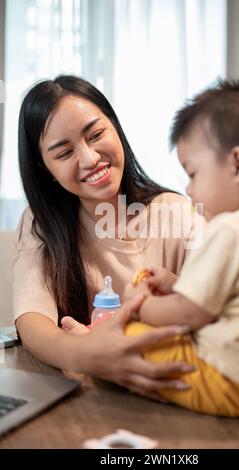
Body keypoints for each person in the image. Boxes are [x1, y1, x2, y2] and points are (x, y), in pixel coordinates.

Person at [65, 80, 239, 418]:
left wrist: (138, 303)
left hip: (234, 383)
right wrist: (178, 285)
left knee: (126, 336)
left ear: (238, 165)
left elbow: (189, 315)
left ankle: (86, 338)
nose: (189, 189)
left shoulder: (229, 230)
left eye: (193, 173)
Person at [14, 75, 197, 401]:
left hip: (172, 391)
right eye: (64, 152)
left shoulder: (175, 213)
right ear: (45, 169)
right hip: (90, 397)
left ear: (115, 127)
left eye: (95, 134)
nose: (89, 159)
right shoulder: (40, 223)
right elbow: (32, 319)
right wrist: (85, 353)